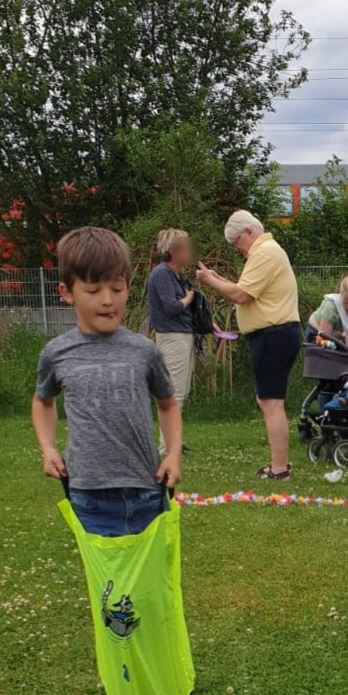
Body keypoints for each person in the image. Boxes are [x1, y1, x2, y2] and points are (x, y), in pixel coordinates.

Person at [31, 227, 182, 536]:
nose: (107, 301)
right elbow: (43, 401)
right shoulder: (57, 353)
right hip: (88, 495)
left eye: (116, 288)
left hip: (147, 488)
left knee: (152, 569)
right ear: (67, 293)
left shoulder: (145, 351)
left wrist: (173, 455)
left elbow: (167, 404)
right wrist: (48, 448)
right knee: (104, 570)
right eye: (93, 290)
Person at [196, 210, 301, 480]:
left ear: (248, 232)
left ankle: (280, 469)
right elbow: (247, 289)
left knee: (271, 402)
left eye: (236, 243)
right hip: (274, 335)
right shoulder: (266, 251)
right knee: (267, 400)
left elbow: (241, 295)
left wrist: (209, 281)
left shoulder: (265, 253)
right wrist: (218, 278)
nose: (237, 249)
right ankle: (280, 464)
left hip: (273, 335)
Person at [146, 229, 197, 450]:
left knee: (182, 390)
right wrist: (189, 298)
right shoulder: (162, 274)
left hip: (184, 335)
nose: (189, 251)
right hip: (172, 336)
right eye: (185, 247)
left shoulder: (178, 275)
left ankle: (173, 440)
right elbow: (172, 307)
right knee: (174, 392)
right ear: (173, 251)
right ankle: (166, 445)